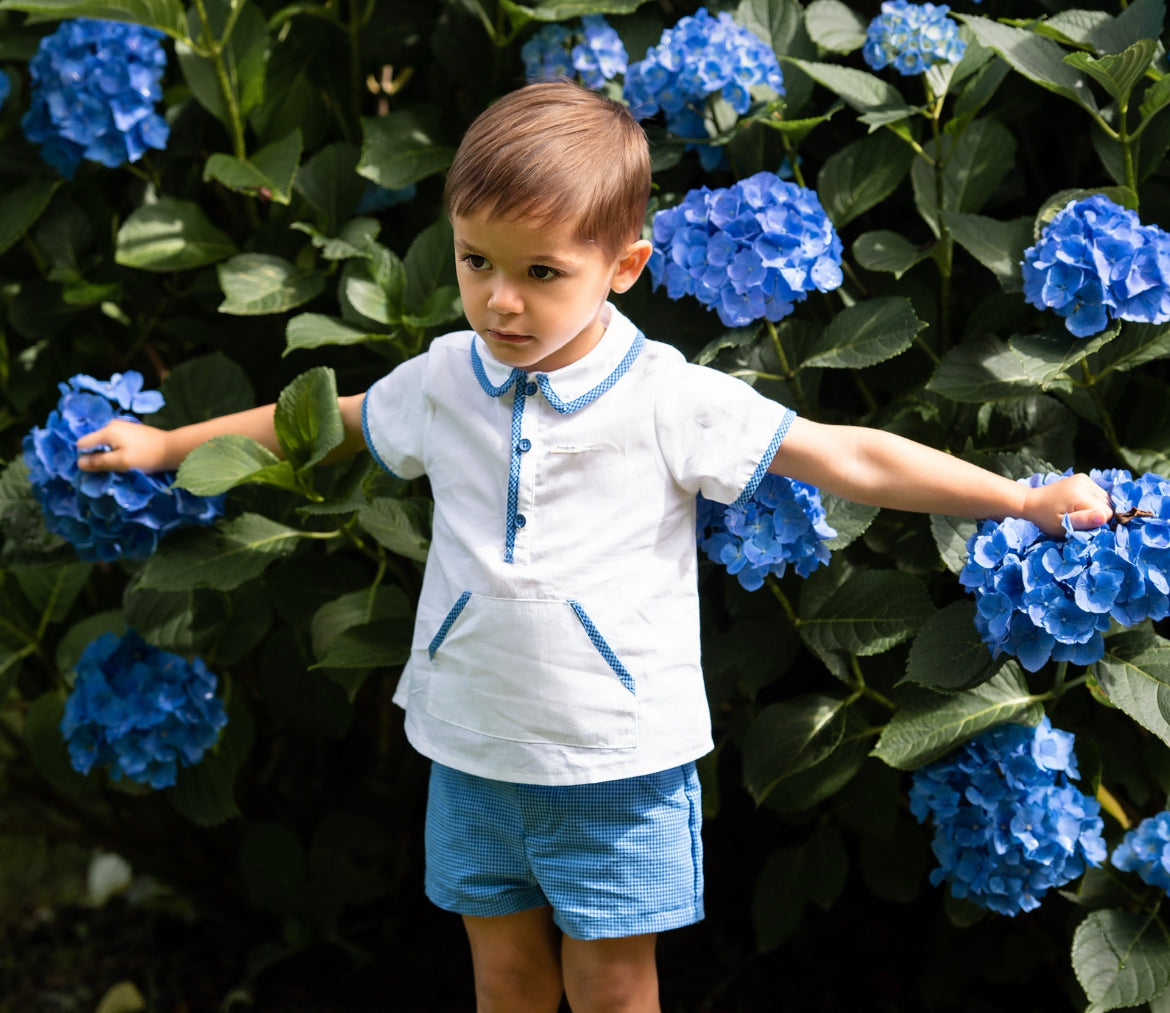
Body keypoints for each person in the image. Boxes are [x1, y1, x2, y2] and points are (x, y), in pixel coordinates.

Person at [77, 81, 1113, 1013]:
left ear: (624, 265)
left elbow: (848, 456)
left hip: (619, 762)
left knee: (615, 988)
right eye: (475, 261)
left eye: (540, 271)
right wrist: (169, 443)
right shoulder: (443, 377)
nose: (500, 299)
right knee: (506, 981)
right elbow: (329, 417)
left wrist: (1016, 498)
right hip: (472, 748)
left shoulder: (668, 395)